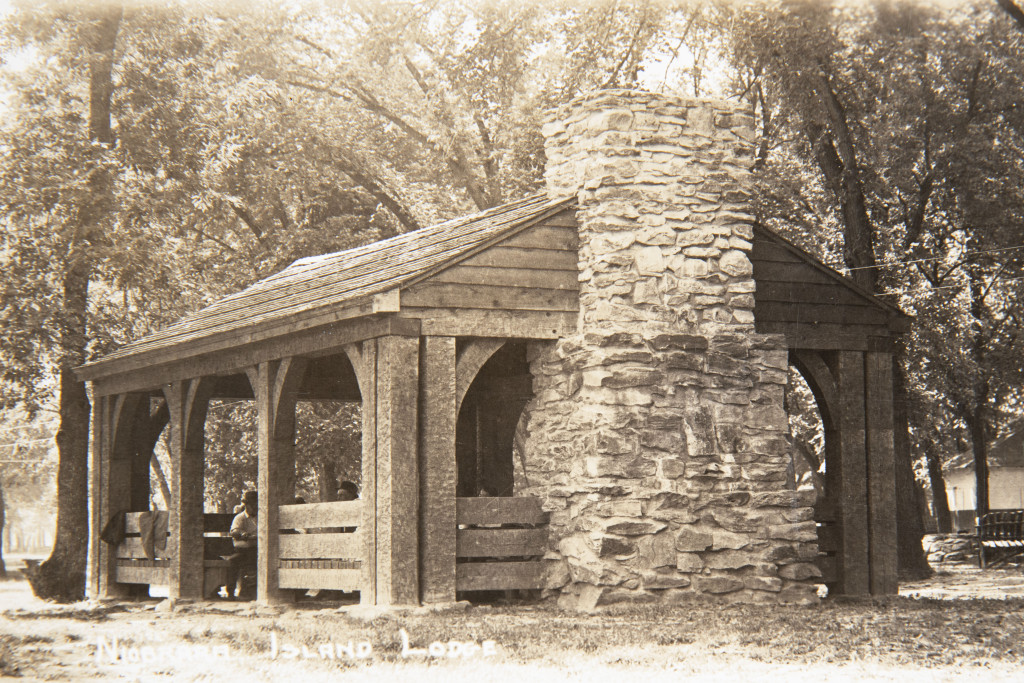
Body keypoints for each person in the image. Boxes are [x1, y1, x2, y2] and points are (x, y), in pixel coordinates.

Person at [225, 490, 258, 600]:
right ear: (247, 505)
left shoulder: (260, 517)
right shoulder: (240, 518)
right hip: (243, 550)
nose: (255, 507)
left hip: (256, 549)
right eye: (253, 504)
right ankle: (230, 591)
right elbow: (235, 531)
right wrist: (242, 534)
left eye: (257, 504)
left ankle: (250, 591)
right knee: (233, 562)